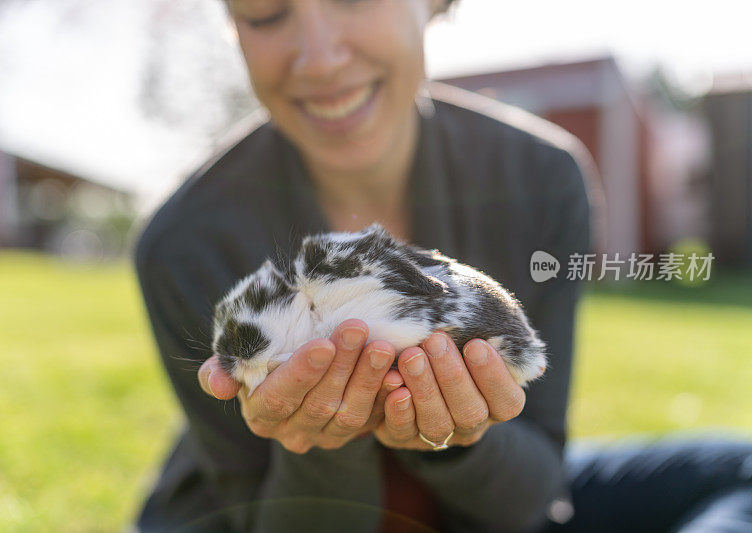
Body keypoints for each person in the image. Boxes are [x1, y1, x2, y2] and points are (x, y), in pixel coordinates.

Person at [133, 1, 752, 531]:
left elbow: (535, 495)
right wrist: (328, 439)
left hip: (481, 499)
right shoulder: (185, 241)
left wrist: (460, 438)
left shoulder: (540, 179)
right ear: (233, 25)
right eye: (266, 13)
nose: (318, 57)